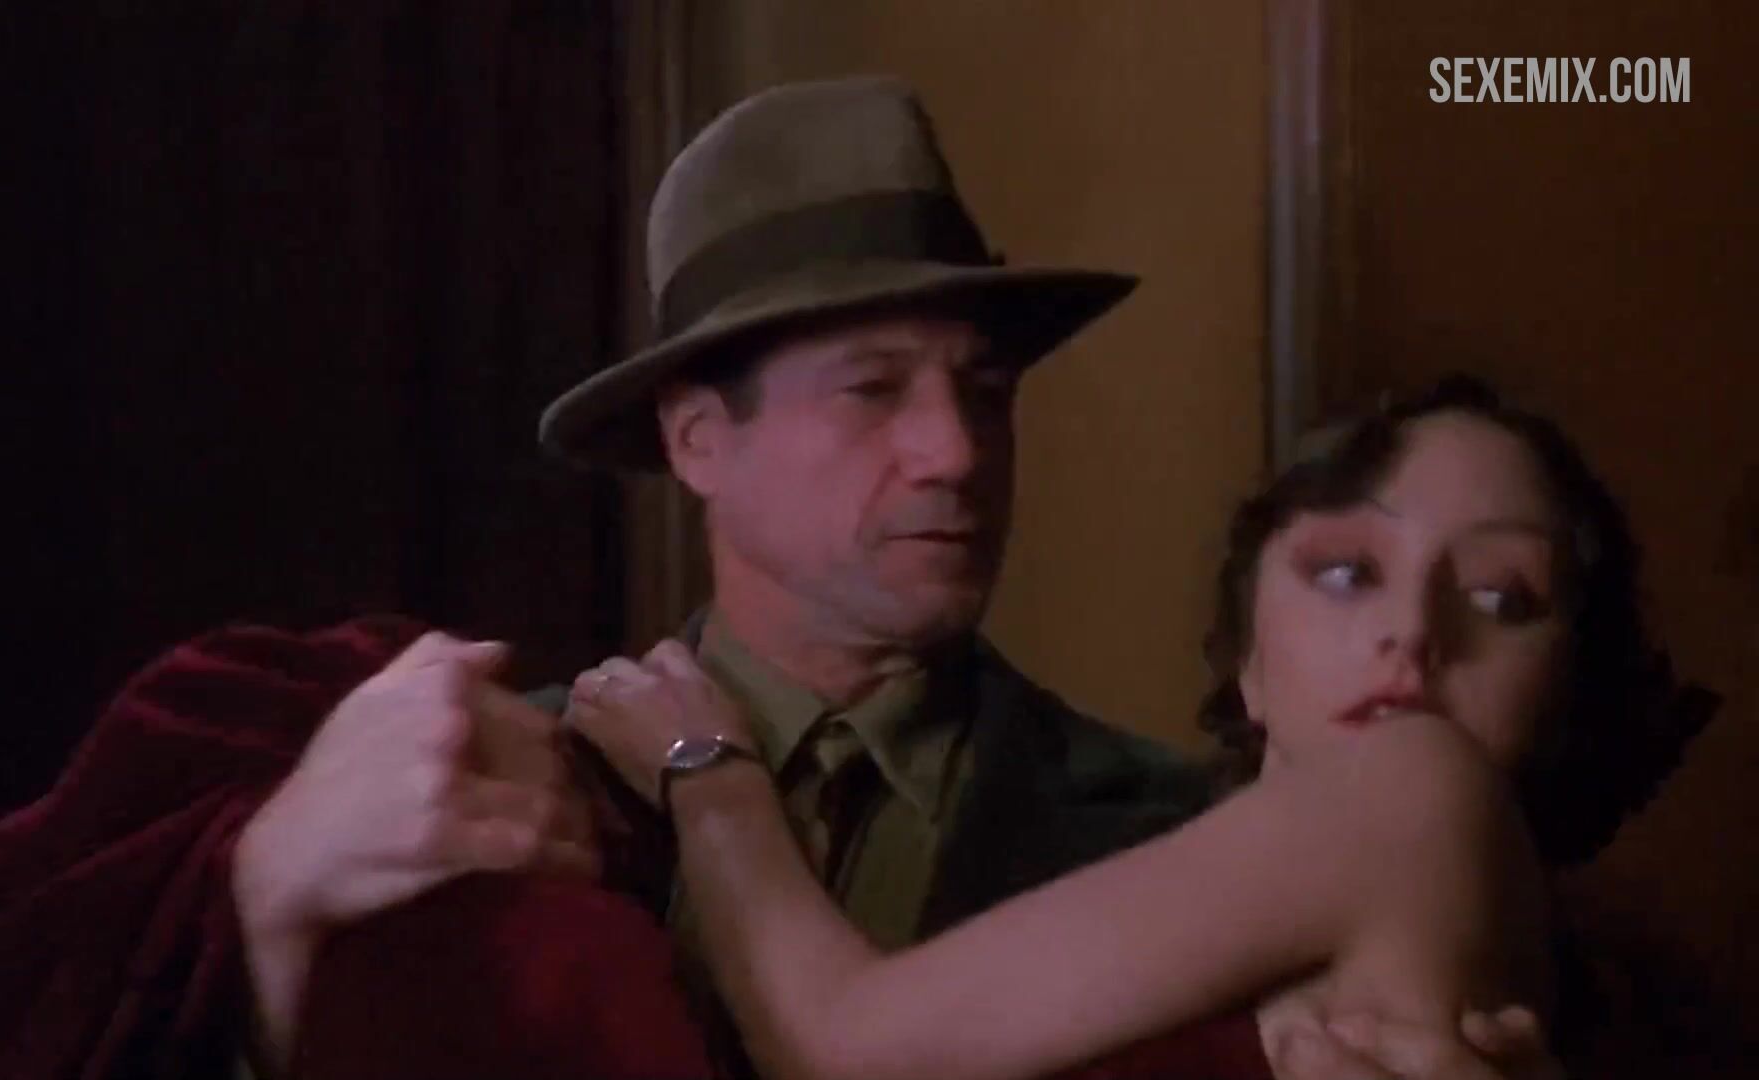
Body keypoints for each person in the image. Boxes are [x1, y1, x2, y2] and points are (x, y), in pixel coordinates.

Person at [232, 76, 1574, 1079]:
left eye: (983, 393)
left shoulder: (1186, 830)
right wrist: (274, 920)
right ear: (699, 440)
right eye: (874, 389)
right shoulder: (491, 783)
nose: (956, 452)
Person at [566, 375, 1716, 1079]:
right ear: (1248, 655)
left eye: (1503, 597)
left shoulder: (1419, 787)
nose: (1410, 634)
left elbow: (842, 1044)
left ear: (1571, 688)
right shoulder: (1165, 852)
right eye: (1346, 571)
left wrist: (705, 769)